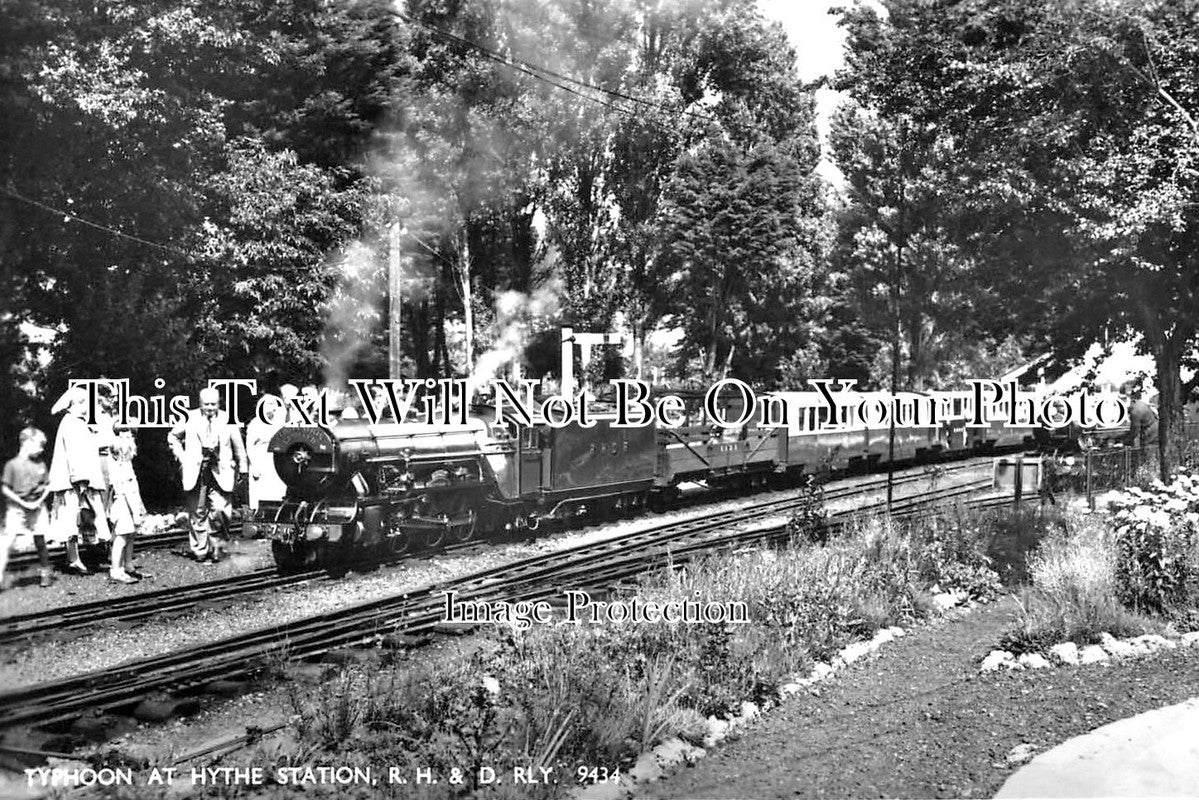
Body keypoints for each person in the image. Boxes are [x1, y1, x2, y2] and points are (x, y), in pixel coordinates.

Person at [167, 388, 248, 562]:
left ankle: (218, 545)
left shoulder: (228, 418)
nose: (210, 408)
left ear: (219, 403)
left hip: (221, 470)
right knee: (197, 512)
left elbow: (238, 445)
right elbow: (172, 437)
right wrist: (183, 457)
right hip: (196, 471)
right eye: (206, 404)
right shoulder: (189, 417)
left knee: (221, 511)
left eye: (213, 404)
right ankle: (200, 550)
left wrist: (243, 468)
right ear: (200, 403)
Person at [47, 386, 111, 574]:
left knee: (77, 520)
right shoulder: (72, 423)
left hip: (79, 481)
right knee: (72, 520)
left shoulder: (77, 422)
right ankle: (73, 559)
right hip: (74, 483)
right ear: (78, 403)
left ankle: (75, 557)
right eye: (86, 403)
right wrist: (80, 482)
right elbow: (74, 456)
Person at [1, 428, 54, 589]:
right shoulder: (12, 465)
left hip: (37, 507)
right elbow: (5, 489)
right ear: (27, 443)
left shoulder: (41, 464)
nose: (42, 449)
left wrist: (39, 501)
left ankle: (46, 572)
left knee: (40, 540)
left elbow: (48, 486)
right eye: (39, 445)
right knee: (7, 541)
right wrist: (24, 504)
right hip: (17, 507)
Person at [107, 418, 147, 583]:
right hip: (124, 504)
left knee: (130, 535)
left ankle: (128, 565)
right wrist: (136, 512)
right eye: (130, 438)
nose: (133, 441)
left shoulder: (125, 464)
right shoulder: (122, 466)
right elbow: (128, 491)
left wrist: (138, 506)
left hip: (127, 503)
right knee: (122, 537)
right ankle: (116, 570)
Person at [245, 394, 286, 510]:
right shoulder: (255, 424)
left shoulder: (280, 423)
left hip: (276, 460)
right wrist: (255, 466)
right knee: (260, 492)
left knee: (277, 491)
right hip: (260, 460)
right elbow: (249, 446)